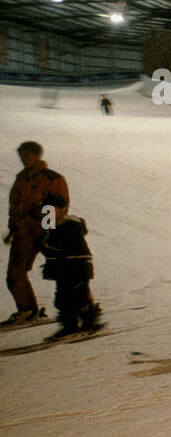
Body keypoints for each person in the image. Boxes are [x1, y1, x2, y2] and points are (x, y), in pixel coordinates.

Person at [4, 141, 67, 326]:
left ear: (38, 155)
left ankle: (81, 307)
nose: (23, 160)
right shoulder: (21, 179)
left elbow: (57, 206)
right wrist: (13, 228)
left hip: (45, 233)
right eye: (21, 156)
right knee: (15, 273)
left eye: (27, 155)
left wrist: (47, 229)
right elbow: (15, 206)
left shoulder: (52, 178)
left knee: (65, 271)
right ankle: (27, 310)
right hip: (23, 234)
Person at [38, 194, 101, 339]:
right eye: (45, 211)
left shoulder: (70, 225)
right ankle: (71, 325)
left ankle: (86, 323)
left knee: (78, 296)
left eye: (51, 210)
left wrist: (43, 241)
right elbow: (48, 246)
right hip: (63, 269)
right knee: (63, 298)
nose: (47, 214)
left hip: (76, 267)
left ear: (63, 209)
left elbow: (56, 245)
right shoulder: (53, 227)